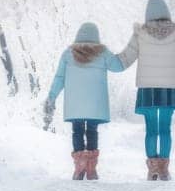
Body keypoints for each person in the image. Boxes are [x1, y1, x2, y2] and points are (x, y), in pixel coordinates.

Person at [117, 0, 175, 181]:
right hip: (169, 87)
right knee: (165, 128)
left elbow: (126, 58)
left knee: (151, 129)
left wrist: (104, 63)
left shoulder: (140, 33)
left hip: (148, 88)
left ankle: (153, 169)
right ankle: (164, 169)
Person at [44, 22, 126, 181]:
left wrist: (51, 96)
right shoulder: (103, 53)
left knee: (77, 130)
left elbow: (60, 78)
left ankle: (80, 165)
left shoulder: (68, 54)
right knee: (92, 131)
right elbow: (117, 67)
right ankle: (91, 168)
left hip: (75, 103)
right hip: (95, 102)